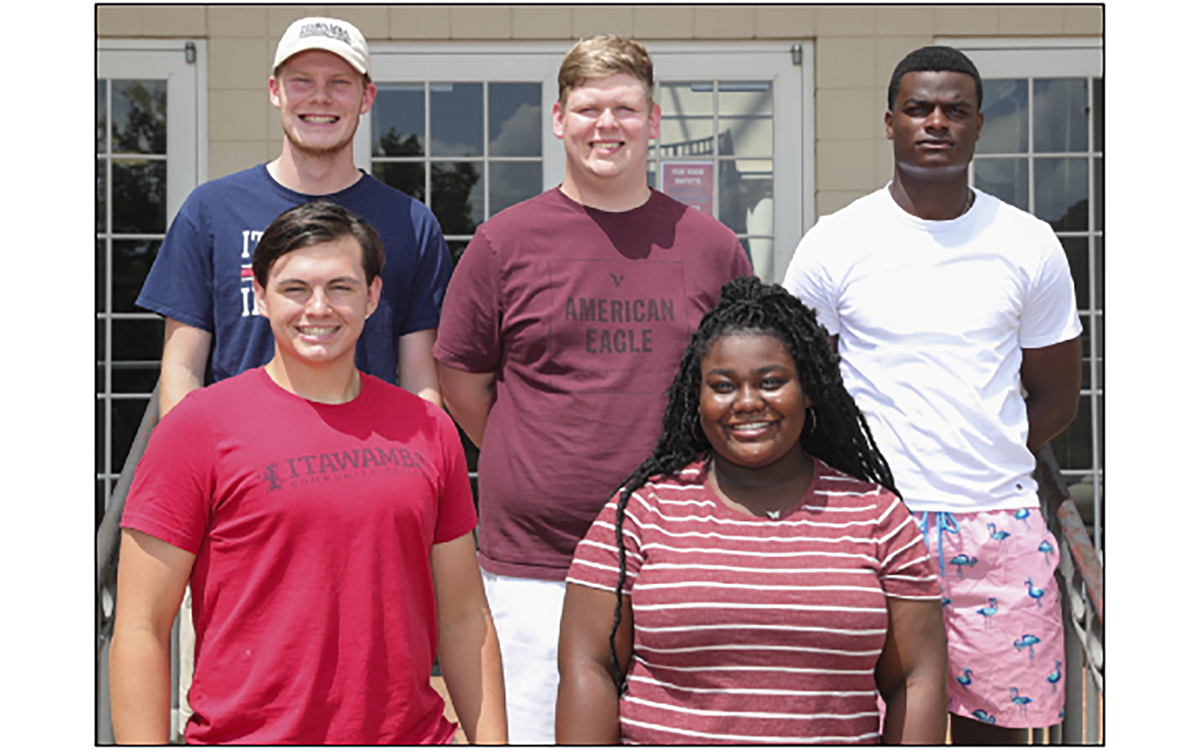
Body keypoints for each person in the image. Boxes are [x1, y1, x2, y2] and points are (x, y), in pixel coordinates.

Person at [433, 35, 753, 743]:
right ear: (558, 119)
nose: (607, 125)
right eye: (588, 109)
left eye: (625, 109)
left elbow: (738, 387)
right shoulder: (502, 244)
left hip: (679, 558)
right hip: (534, 567)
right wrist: (535, 453)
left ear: (654, 121)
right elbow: (462, 381)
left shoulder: (711, 247)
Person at [109, 201, 506, 745]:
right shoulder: (196, 428)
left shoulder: (428, 429)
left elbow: (465, 617)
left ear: (372, 296)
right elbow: (140, 627)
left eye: (341, 287)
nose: (318, 308)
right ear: (260, 295)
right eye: (295, 288)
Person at [782, 45, 1082, 744]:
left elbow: (1057, 397)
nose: (937, 123)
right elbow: (801, 387)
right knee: (869, 725)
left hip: (998, 525)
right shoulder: (836, 243)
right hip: (873, 524)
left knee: (996, 734)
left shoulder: (1029, 244)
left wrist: (979, 446)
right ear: (890, 122)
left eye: (956, 110)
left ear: (978, 126)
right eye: (919, 109)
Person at [557, 276, 948, 744]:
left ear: (808, 390)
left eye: (771, 382)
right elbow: (589, 665)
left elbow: (916, 677)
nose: (746, 402)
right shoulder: (640, 512)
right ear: (696, 397)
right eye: (723, 386)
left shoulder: (877, 517)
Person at [137, 16, 451, 419]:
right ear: (275, 91)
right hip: (241, 448)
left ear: (366, 97)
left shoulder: (410, 222)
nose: (320, 97)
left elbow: (420, 380)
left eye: (339, 82)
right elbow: (182, 367)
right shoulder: (211, 210)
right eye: (302, 80)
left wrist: (424, 453)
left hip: (367, 451)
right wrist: (189, 452)